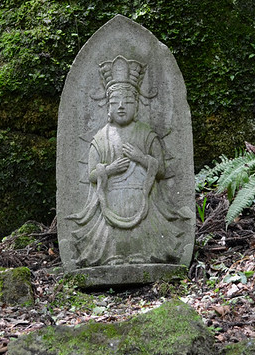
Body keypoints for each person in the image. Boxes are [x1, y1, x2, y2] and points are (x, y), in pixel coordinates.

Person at [68, 55, 185, 267]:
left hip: (141, 197)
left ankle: (144, 255)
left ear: (137, 106)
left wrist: (141, 158)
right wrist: (109, 170)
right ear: (108, 108)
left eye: (129, 102)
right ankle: (111, 256)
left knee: (143, 233)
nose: (122, 106)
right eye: (115, 102)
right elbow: (92, 175)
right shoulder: (101, 138)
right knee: (112, 236)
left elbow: (160, 170)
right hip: (111, 197)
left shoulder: (146, 134)